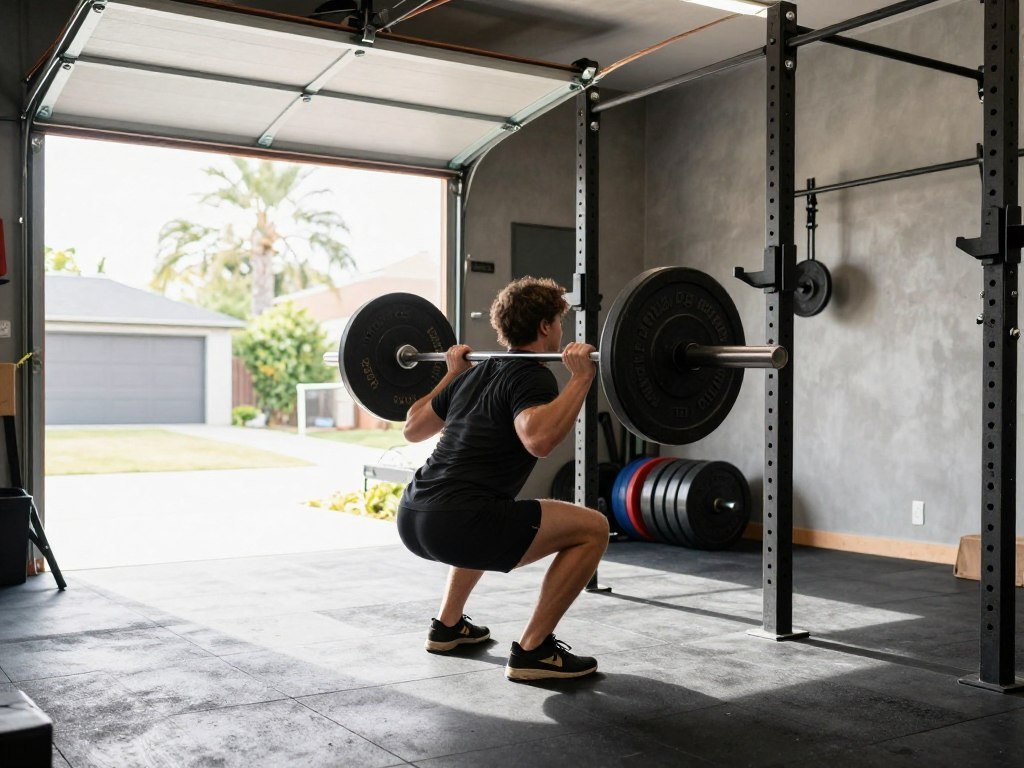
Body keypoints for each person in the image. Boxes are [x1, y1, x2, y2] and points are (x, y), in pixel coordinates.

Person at [396, 276, 609, 681]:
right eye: (558, 323)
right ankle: (534, 651)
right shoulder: (532, 375)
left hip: (413, 515)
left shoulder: (477, 374)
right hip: (457, 522)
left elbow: (412, 427)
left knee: (483, 508)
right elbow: (539, 439)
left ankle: (448, 626)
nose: (561, 332)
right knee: (593, 528)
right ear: (545, 327)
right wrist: (581, 378)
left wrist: (452, 374)